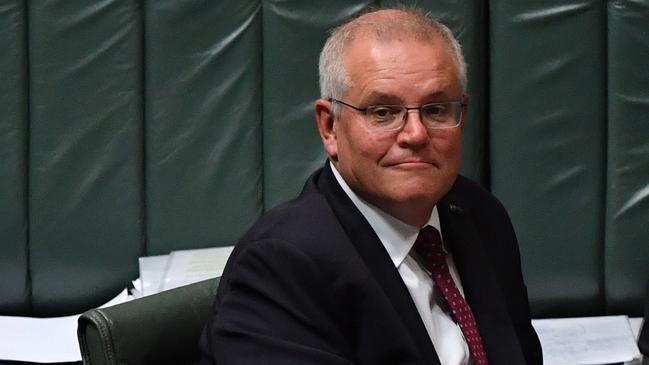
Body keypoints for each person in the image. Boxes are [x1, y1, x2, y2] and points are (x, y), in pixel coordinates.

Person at [200, 7, 542, 365]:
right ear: (330, 127)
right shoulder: (282, 267)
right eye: (383, 112)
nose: (415, 134)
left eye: (437, 109)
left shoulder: (479, 214)